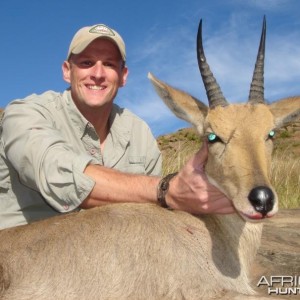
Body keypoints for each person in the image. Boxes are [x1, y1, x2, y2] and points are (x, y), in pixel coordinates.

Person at [0, 23, 234, 230]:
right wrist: (166, 190)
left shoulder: (139, 132)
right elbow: (55, 173)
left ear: (123, 76)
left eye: (109, 64)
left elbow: (153, 214)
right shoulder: (26, 113)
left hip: (106, 260)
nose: (98, 74)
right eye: (87, 63)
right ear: (66, 71)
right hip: (16, 263)